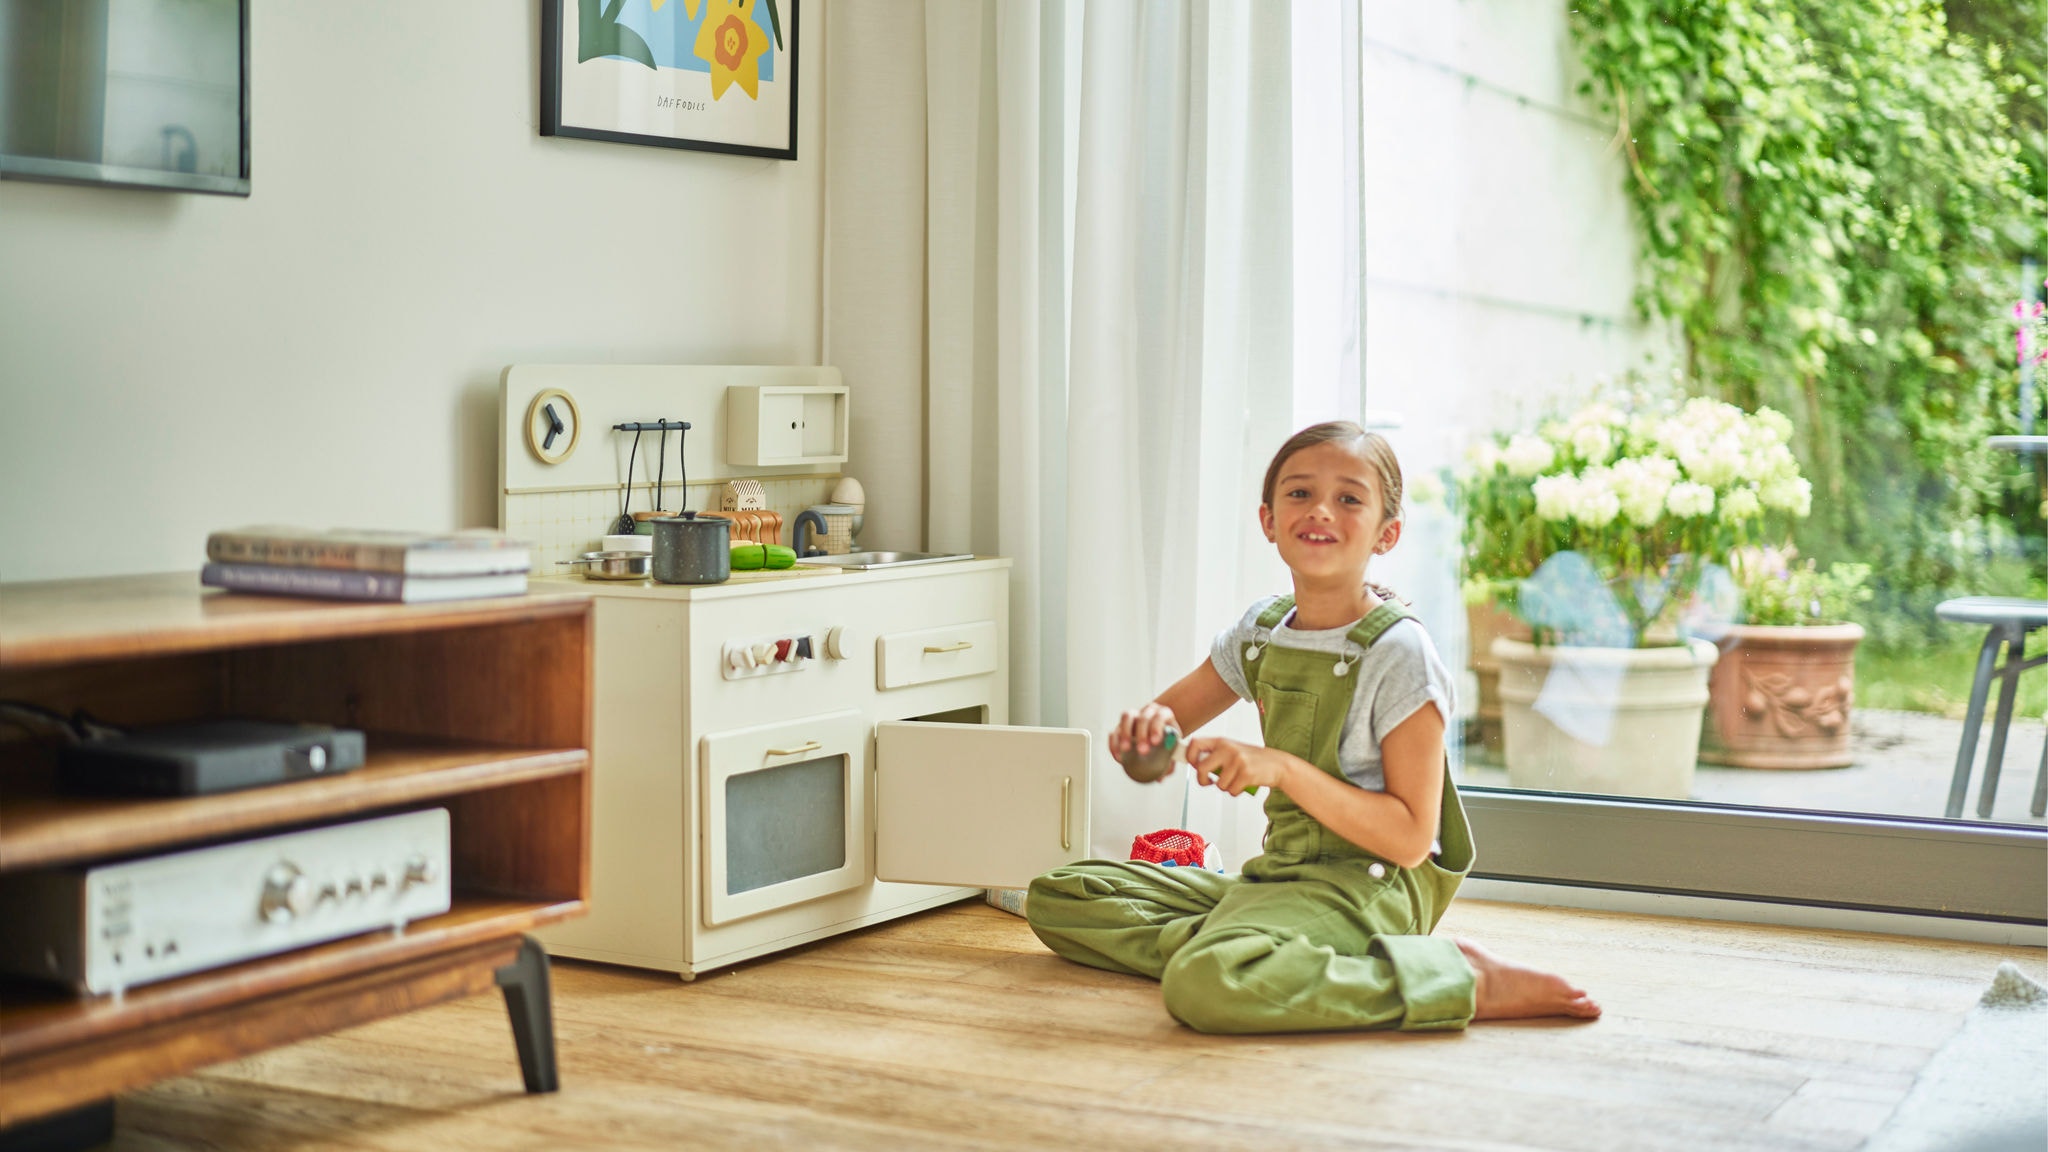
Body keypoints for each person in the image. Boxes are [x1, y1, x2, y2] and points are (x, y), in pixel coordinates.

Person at [1025, 421, 1601, 1033]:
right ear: (1269, 520)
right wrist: (1145, 740)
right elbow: (1158, 743)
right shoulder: (1261, 633)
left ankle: (1454, 978)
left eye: (1349, 497)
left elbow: (1409, 840)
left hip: (1372, 887)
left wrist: (1281, 770)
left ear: (1388, 533)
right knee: (1062, 894)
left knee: (1205, 985)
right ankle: (1260, 946)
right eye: (1299, 493)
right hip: (1283, 876)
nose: (1321, 509)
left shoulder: (1400, 654)